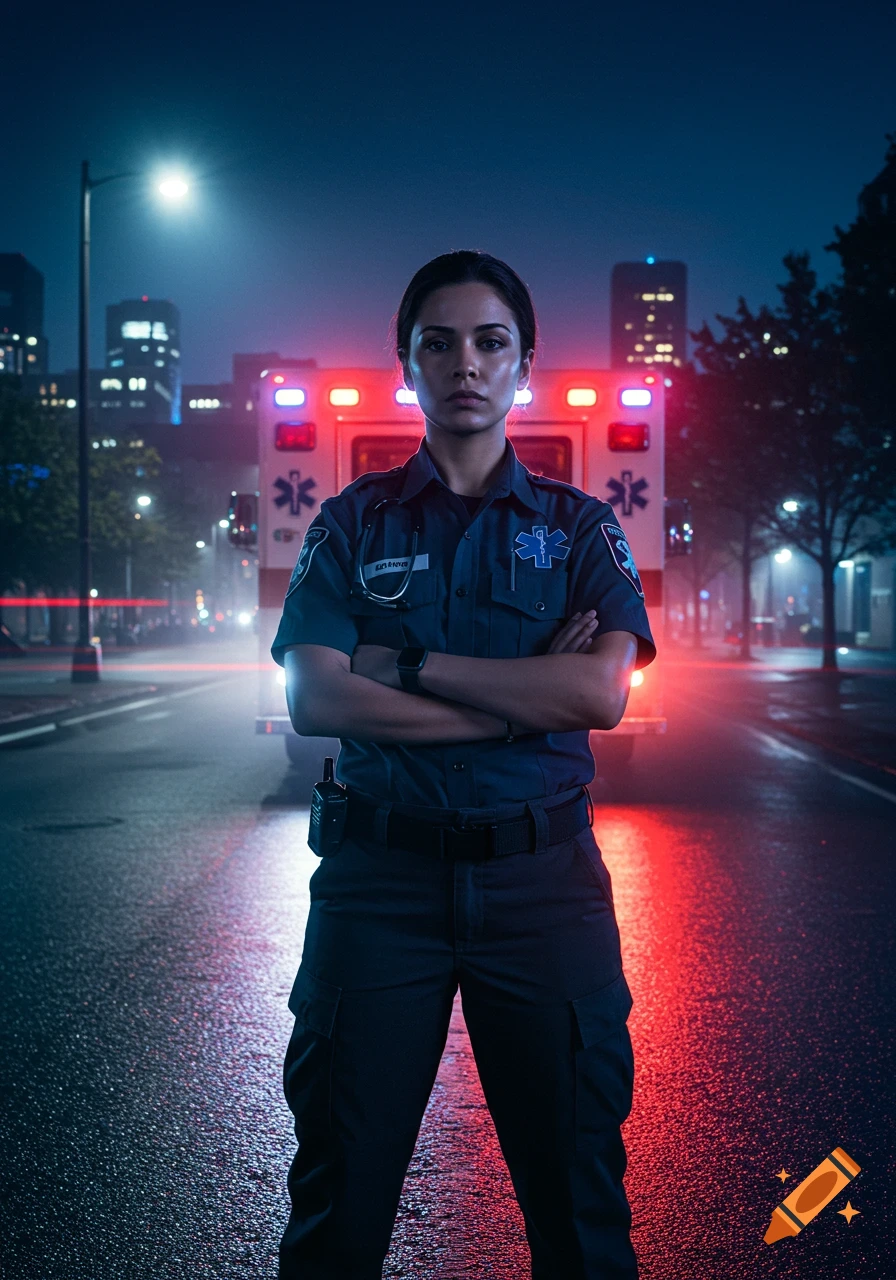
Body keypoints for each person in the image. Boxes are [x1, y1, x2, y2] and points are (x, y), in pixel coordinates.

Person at [271, 250, 656, 1279]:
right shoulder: (351, 523)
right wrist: (516, 700)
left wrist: (404, 664)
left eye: (490, 341)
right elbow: (316, 699)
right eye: (436, 342)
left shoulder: (580, 527)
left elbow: (597, 696)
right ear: (406, 364)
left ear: (522, 363)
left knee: (579, 1211)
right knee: (337, 1207)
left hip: (543, 890)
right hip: (377, 887)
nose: (464, 364)